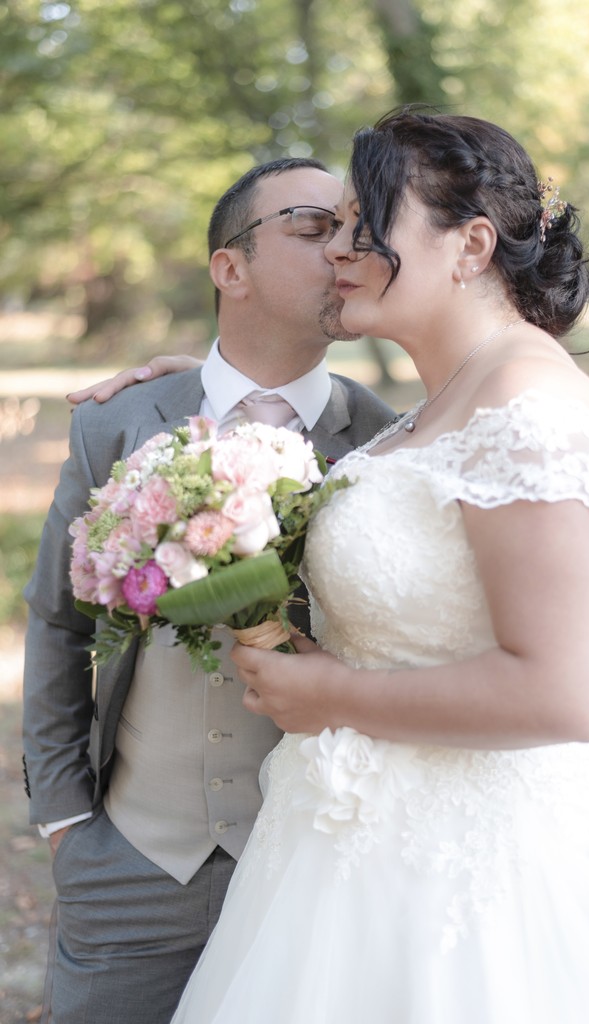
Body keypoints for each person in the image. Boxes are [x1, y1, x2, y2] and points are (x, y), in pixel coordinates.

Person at [165, 109, 589, 1023]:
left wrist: (329, 698)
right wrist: (177, 382)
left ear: (471, 244)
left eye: (370, 228)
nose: (341, 252)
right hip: (347, 865)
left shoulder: (528, 400)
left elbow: (563, 694)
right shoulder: (431, 408)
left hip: (492, 891)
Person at [22, 156, 395, 1024]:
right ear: (231, 268)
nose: (345, 249)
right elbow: (57, 621)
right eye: (314, 227)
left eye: (354, 229)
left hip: (320, 873)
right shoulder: (117, 421)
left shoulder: (390, 444)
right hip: (129, 861)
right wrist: (65, 820)